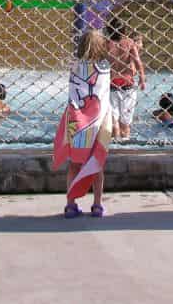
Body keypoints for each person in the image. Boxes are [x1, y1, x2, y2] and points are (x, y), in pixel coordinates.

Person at [53, 30, 112, 218]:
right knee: (97, 164)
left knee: (74, 164)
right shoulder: (104, 68)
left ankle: (71, 204)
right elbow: (104, 96)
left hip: (76, 122)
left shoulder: (74, 67)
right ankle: (97, 205)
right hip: (96, 123)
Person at [105, 17, 145, 141]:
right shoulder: (129, 43)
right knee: (125, 122)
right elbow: (138, 61)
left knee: (114, 120)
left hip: (111, 84)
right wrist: (142, 78)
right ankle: (125, 140)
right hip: (128, 85)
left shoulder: (106, 44)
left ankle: (115, 140)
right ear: (124, 31)